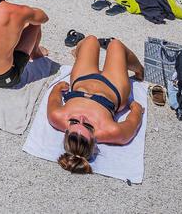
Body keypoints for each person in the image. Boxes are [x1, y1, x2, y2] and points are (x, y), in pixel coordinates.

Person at [46, 36, 145, 173]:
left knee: (90, 40)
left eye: (74, 122)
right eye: (88, 126)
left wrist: (58, 88)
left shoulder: (56, 116)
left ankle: (78, 54)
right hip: (113, 87)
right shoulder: (111, 131)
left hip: (82, 80)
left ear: (67, 131)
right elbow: (132, 125)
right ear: (94, 139)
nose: (82, 118)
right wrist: (136, 109)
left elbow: (53, 99)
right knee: (115, 45)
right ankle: (139, 69)